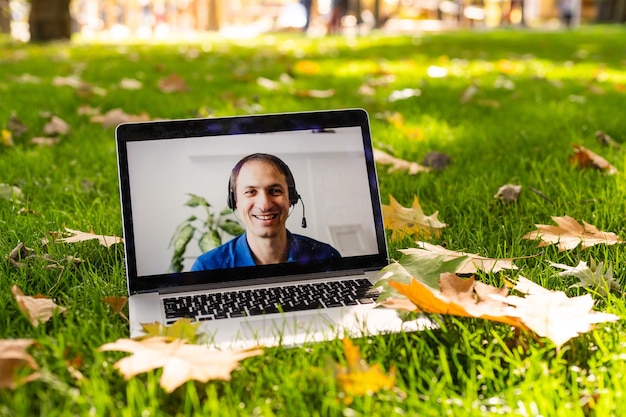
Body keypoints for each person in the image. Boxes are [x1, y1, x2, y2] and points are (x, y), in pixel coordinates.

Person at [191, 153, 341, 271]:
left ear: (291, 199)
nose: (264, 205)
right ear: (235, 202)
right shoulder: (207, 266)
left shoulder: (326, 256)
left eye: (275, 191)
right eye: (251, 192)